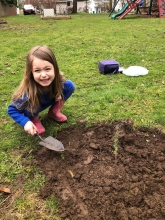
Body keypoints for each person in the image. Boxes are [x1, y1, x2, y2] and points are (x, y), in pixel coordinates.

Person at [8, 45, 75, 136]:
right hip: (32, 108)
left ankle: (54, 112)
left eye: (47, 69)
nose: (43, 75)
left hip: (47, 101)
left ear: (55, 68)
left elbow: (66, 87)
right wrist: (25, 122)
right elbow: (12, 110)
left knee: (70, 85)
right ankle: (34, 120)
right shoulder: (26, 94)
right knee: (30, 103)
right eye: (37, 70)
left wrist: (59, 92)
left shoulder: (58, 81)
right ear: (31, 73)